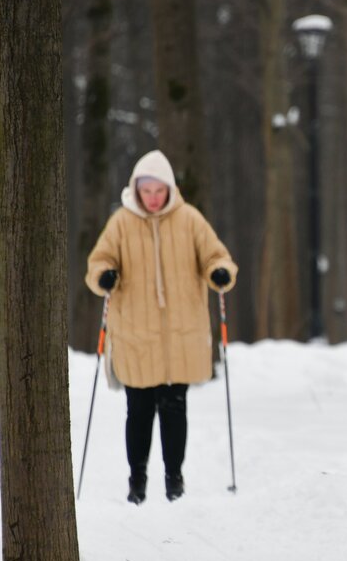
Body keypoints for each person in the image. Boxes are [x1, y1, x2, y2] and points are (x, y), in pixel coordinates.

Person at [86, 149, 237, 505]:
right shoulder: (121, 223)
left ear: (169, 189)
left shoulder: (189, 220)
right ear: (136, 190)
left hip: (180, 334)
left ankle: (174, 480)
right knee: (138, 411)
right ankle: (137, 480)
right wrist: (104, 276)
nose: (153, 198)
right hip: (136, 333)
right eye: (146, 191)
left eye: (158, 190)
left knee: (174, 408)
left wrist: (220, 272)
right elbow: (99, 262)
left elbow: (217, 255)